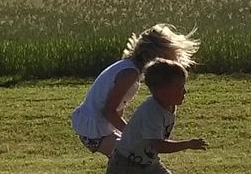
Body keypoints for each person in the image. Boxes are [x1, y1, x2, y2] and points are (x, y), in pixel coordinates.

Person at [89, 58, 206, 174]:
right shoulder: (151, 112)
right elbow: (159, 145)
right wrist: (188, 144)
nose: (185, 91)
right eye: (180, 88)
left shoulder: (169, 105)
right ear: (162, 92)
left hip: (148, 162)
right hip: (126, 162)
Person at [70, 24, 199, 160]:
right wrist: (132, 134)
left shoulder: (129, 68)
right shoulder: (129, 73)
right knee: (133, 156)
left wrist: (126, 132)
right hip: (94, 129)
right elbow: (109, 111)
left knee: (131, 157)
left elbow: (118, 107)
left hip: (101, 126)